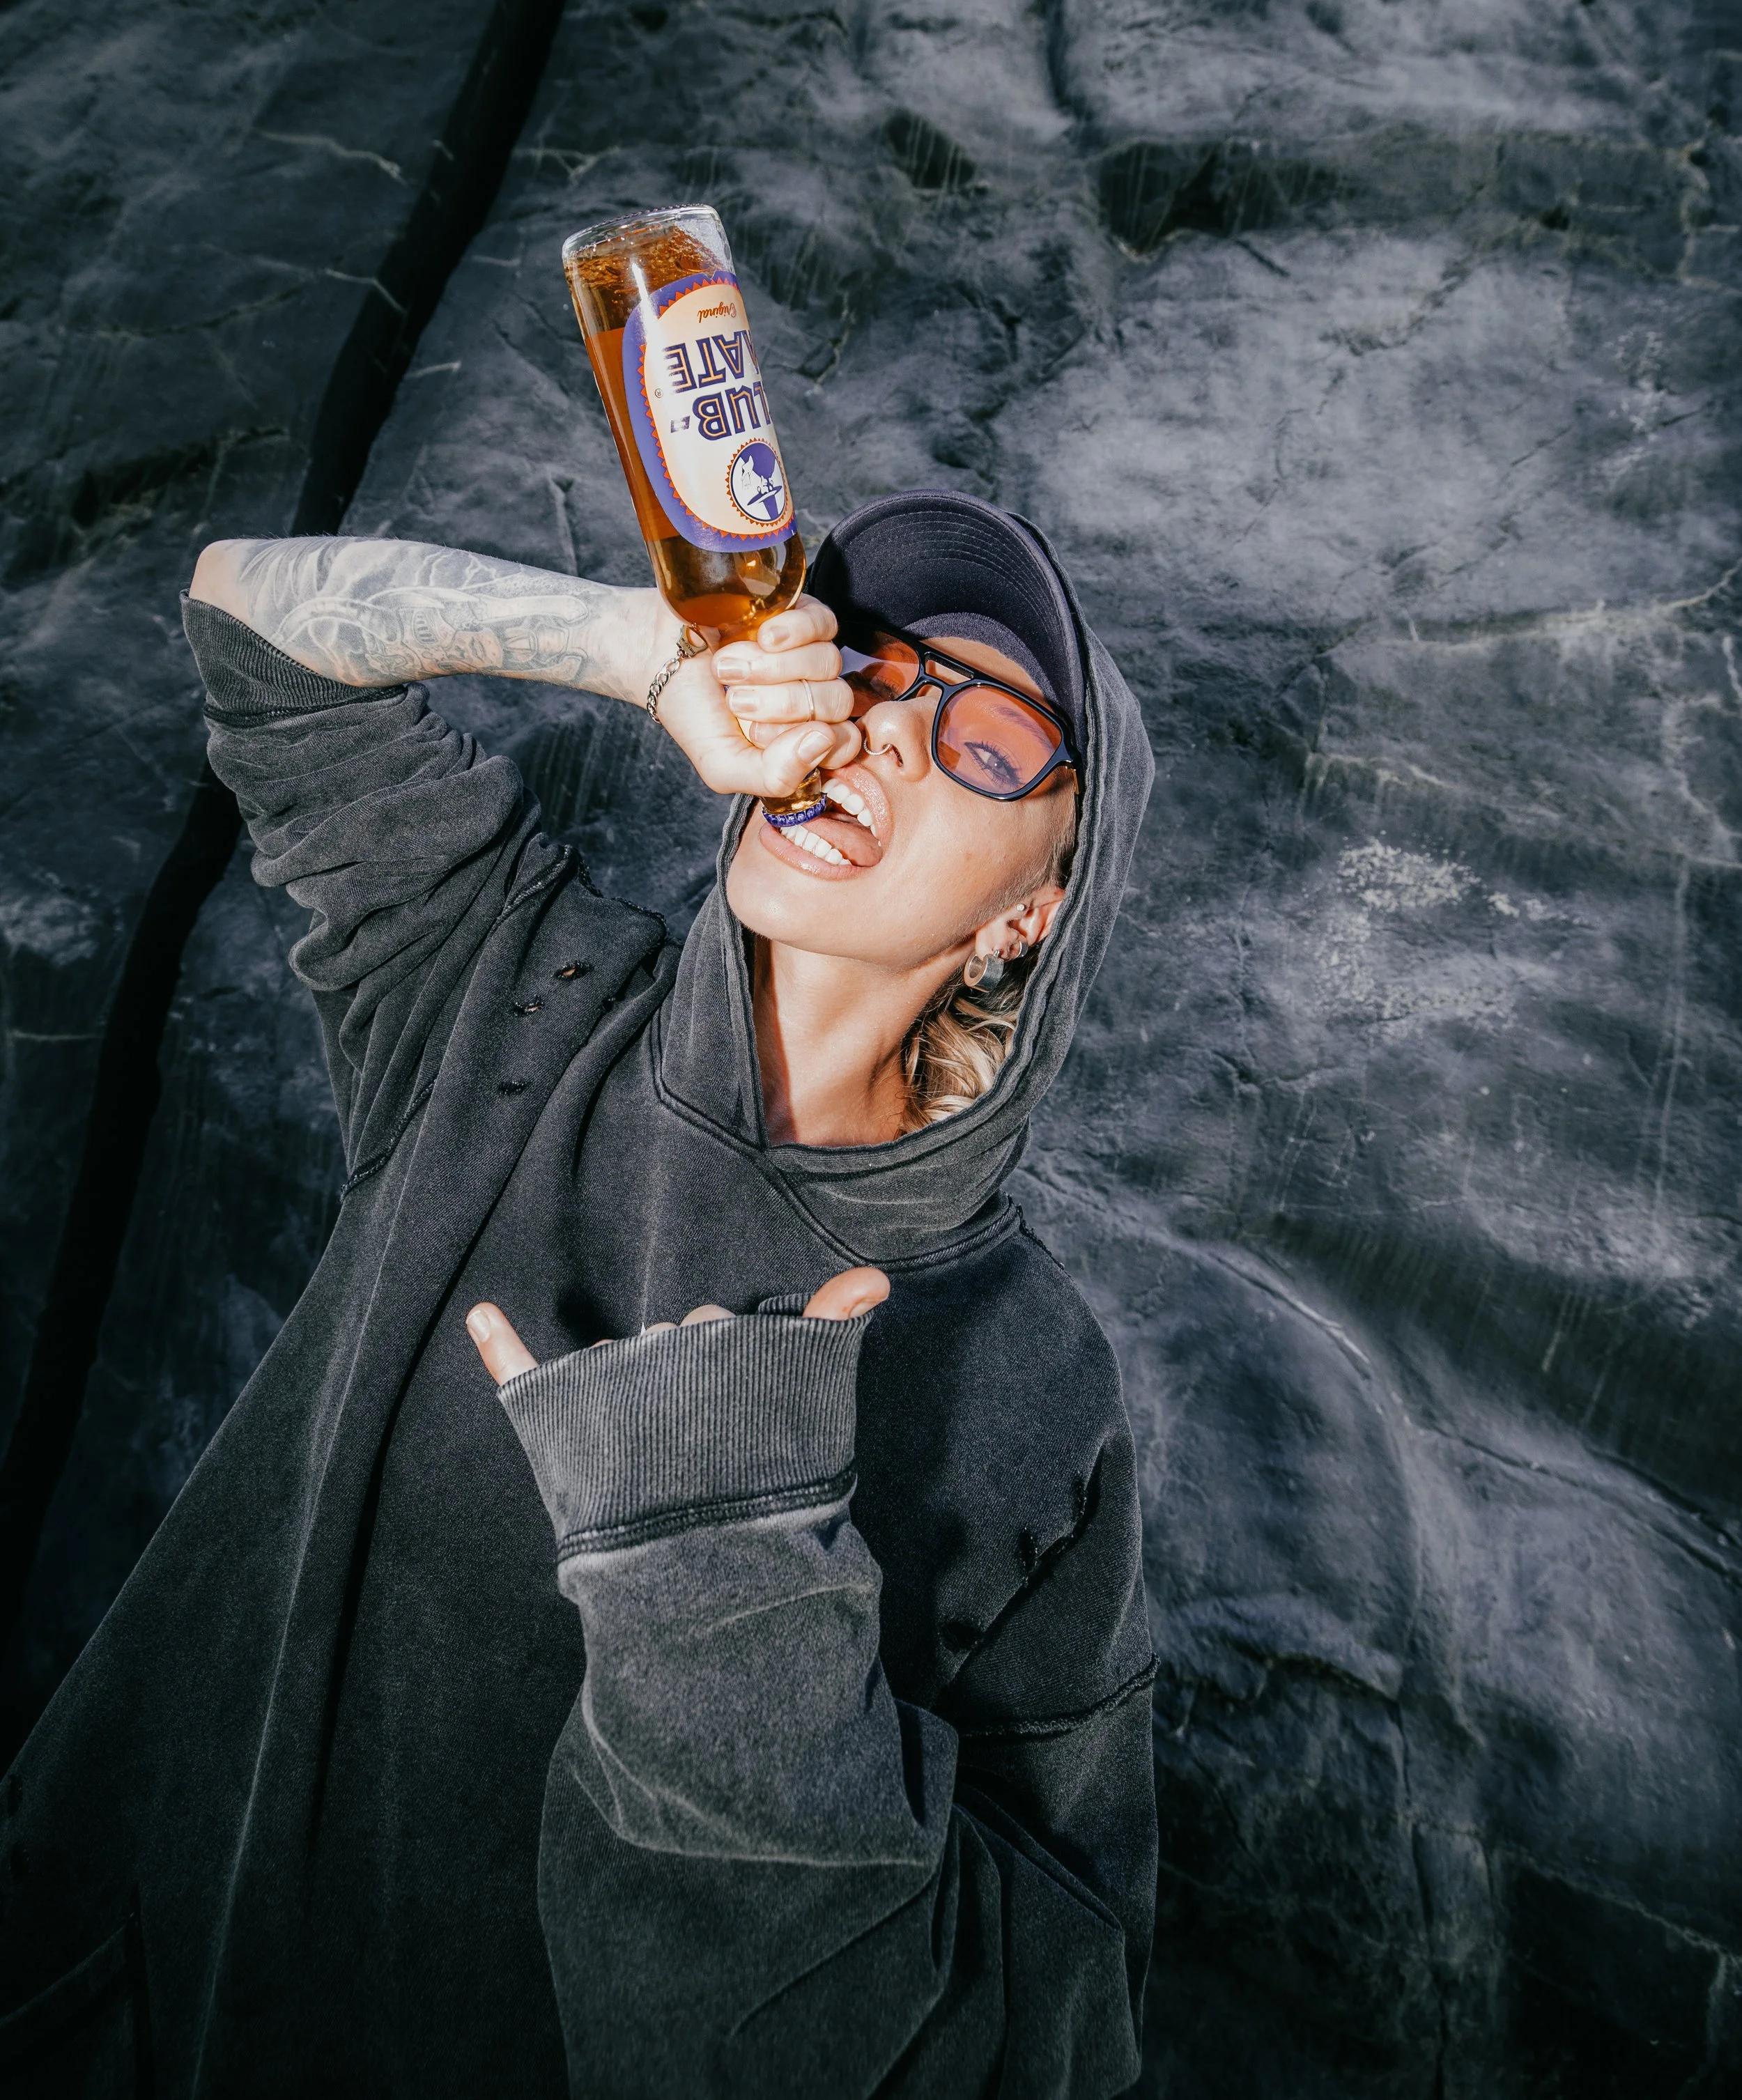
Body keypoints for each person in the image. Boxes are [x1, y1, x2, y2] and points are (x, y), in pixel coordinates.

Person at [0, 488, 1157, 2099]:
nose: (886, 727)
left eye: (982, 741)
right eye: (869, 671)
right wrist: (638, 645)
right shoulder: (511, 987)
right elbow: (246, 613)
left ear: (1026, 915)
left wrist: (728, 1591)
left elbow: (1036, 2027)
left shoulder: (1029, 1379)